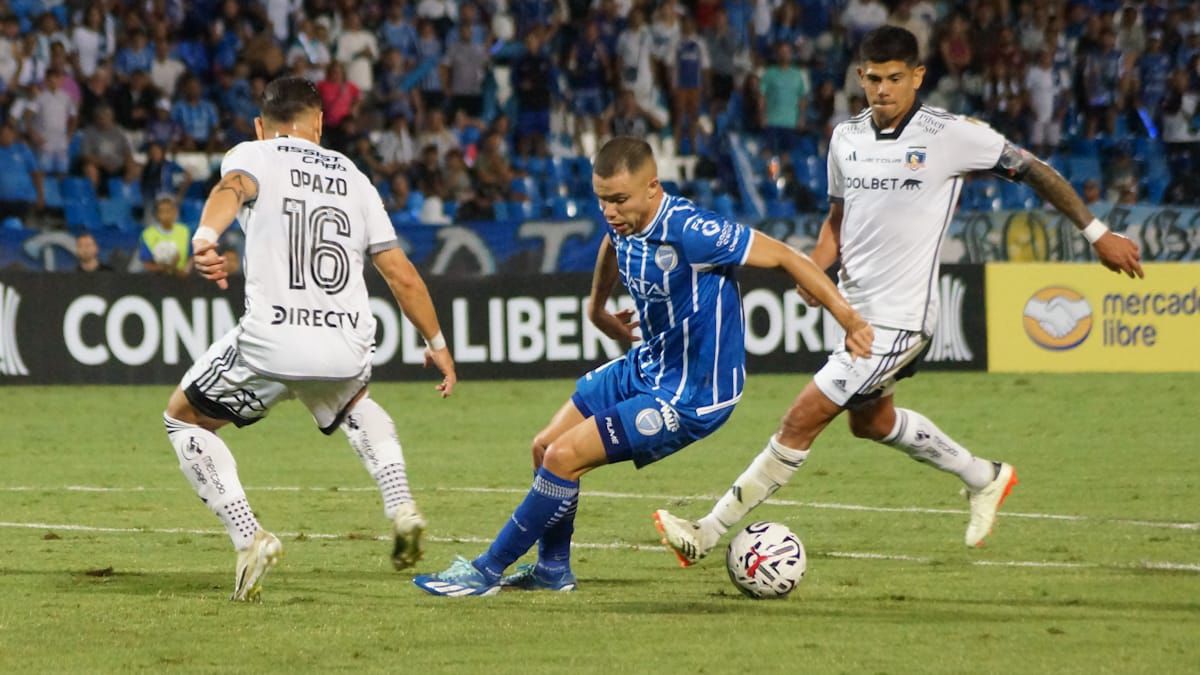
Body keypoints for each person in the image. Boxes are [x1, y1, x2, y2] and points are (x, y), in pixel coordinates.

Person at [652, 26, 1145, 567]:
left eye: (893, 78)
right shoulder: (846, 138)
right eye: (871, 79)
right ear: (859, 78)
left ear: (917, 77)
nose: (881, 89)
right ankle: (985, 476)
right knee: (871, 422)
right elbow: (837, 221)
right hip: (855, 314)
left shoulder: (951, 135)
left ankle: (704, 531)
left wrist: (1097, 234)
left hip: (900, 322)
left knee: (799, 420)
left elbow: (1032, 169)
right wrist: (817, 271)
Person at [412, 136, 873, 596]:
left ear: (652, 187)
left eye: (619, 199)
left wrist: (849, 319)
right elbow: (611, 247)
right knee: (545, 447)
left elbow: (786, 256)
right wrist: (597, 310)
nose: (609, 211)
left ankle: (485, 570)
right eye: (601, 200)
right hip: (647, 365)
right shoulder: (624, 221)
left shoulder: (692, 231)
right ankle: (553, 571)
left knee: (563, 458)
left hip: (692, 394)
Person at [162, 77, 457, 602]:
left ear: (262, 126)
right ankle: (401, 503)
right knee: (354, 401)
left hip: (272, 340)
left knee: (183, 417)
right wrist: (435, 340)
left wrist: (204, 237)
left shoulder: (256, 153)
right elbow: (401, 274)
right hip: (344, 344)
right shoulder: (356, 178)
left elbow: (230, 190)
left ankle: (248, 537)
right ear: (319, 123)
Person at [139, 196, 193, 277]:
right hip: (156, 279)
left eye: (169, 210)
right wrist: (166, 267)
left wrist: (185, 270)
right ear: (157, 215)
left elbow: (192, 256)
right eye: (162, 211)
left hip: (182, 279)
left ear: (175, 212)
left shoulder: (185, 231)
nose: (167, 215)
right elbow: (146, 264)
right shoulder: (148, 234)